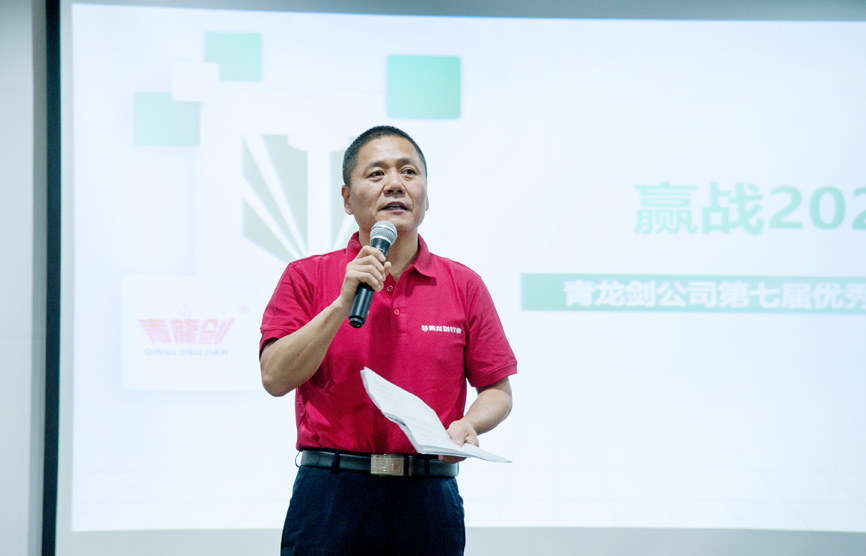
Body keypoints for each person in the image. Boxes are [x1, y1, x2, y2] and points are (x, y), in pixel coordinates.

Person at [259, 125, 517, 556]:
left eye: (409, 172)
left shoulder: (464, 284)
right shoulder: (306, 276)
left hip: (428, 496)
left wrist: (470, 424)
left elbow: (497, 390)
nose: (395, 184)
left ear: (426, 197)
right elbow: (274, 377)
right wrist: (342, 304)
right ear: (347, 199)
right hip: (330, 494)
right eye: (377, 173)